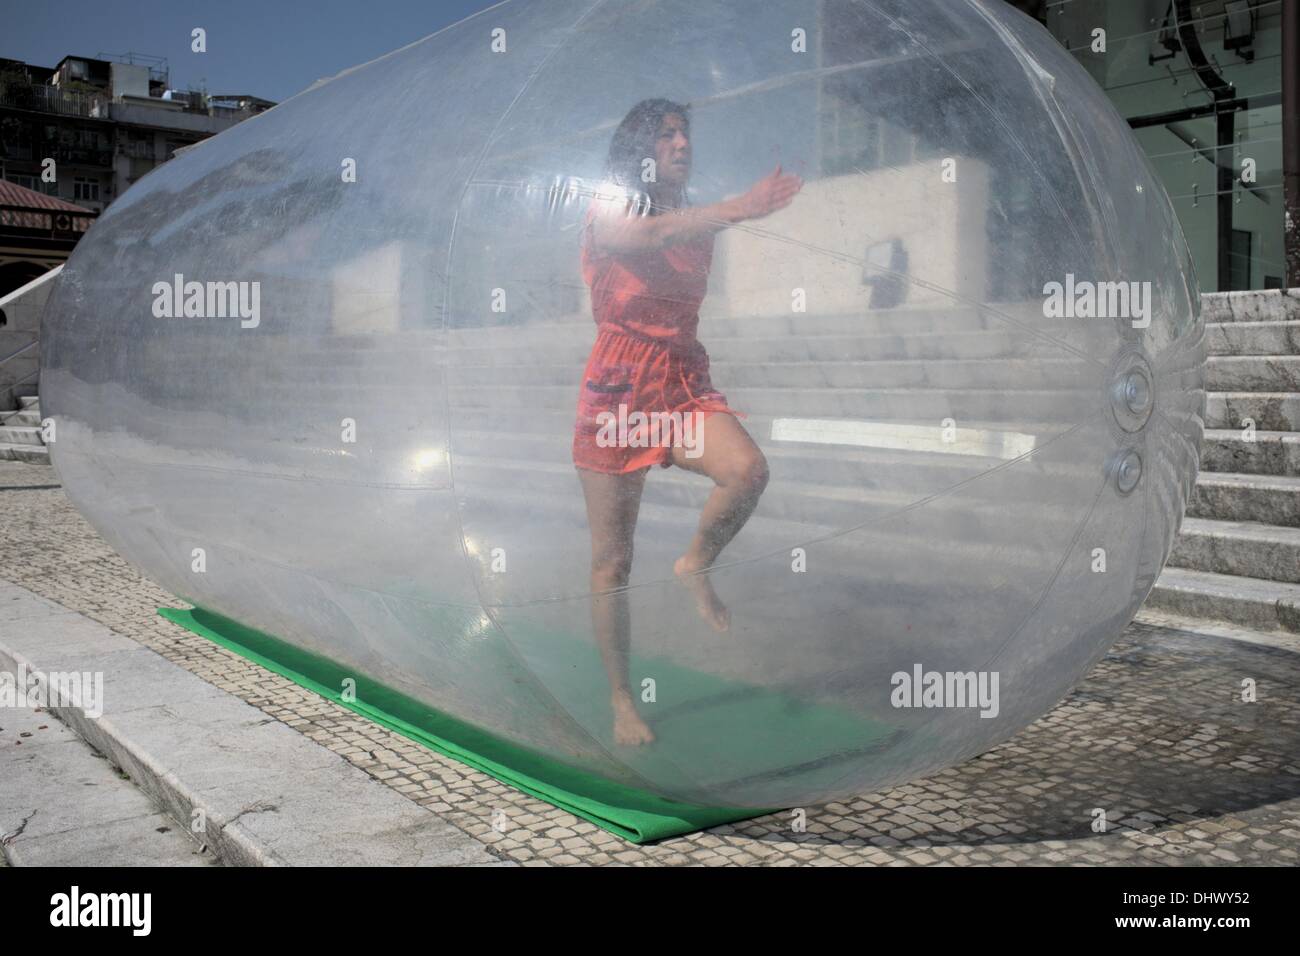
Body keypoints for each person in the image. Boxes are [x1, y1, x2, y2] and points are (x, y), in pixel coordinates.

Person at [572, 98, 803, 745]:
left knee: (746, 470)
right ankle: (622, 699)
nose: (680, 143)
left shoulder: (694, 219)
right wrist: (740, 206)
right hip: (617, 390)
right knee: (611, 560)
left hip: (678, 382)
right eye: (665, 134)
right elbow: (637, 238)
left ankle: (695, 561)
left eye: (684, 134)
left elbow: (681, 234)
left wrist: (740, 210)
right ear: (637, 150)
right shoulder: (611, 206)